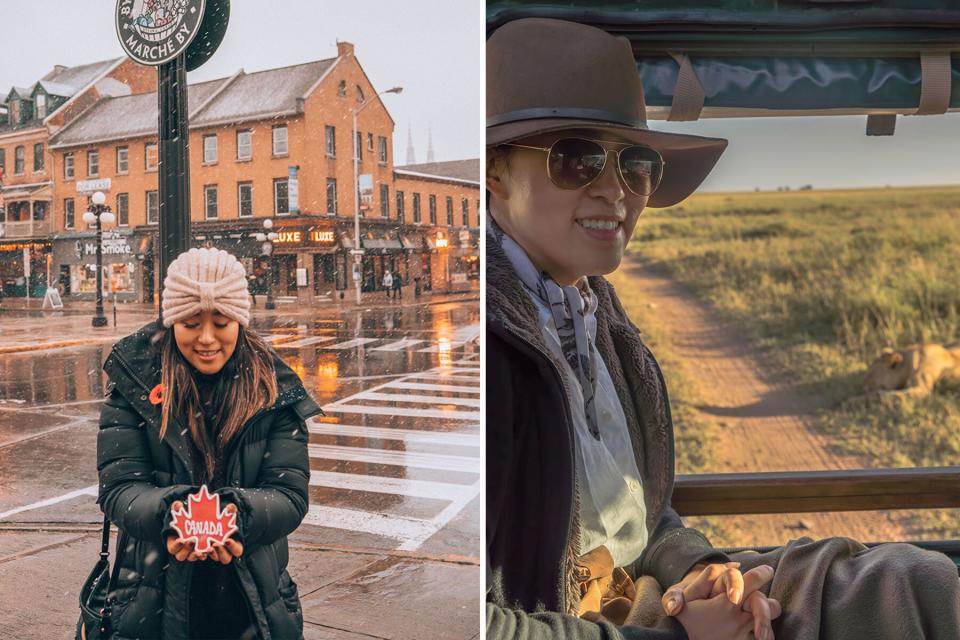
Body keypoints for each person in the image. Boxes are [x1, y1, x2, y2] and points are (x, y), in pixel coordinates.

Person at [485, 18, 960, 640]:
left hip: (645, 595)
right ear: (495, 173)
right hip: (581, 620)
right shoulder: (485, 345)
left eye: (636, 165)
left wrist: (703, 568)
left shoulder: (595, 317)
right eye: (579, 161)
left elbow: (637, 517)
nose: (616, 191)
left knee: (914, 581)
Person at [92, 247, 321, 639]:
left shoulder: (274, 389)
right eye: (192, 323)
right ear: (172, 322)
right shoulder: (135, 384)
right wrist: (171, 515)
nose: (207, 338)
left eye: (221, 321)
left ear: (240, 321)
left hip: (252, 604)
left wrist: (238, 516)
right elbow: (119, 489)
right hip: (152, 602)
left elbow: (290, 494)